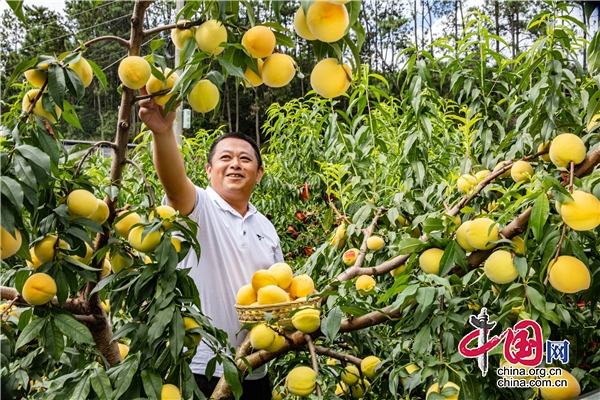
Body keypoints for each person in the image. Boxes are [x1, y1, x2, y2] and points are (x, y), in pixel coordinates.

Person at [138, 88, 283, 399]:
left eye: (245, 159)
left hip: (254, 367)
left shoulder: (266, 227)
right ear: (208, 170)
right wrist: (163, 134)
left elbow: (277, 294)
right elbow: (175, 187)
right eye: (225, 158)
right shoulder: (199, 206)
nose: (235, 164)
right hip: (199, 368)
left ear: (258, 174)